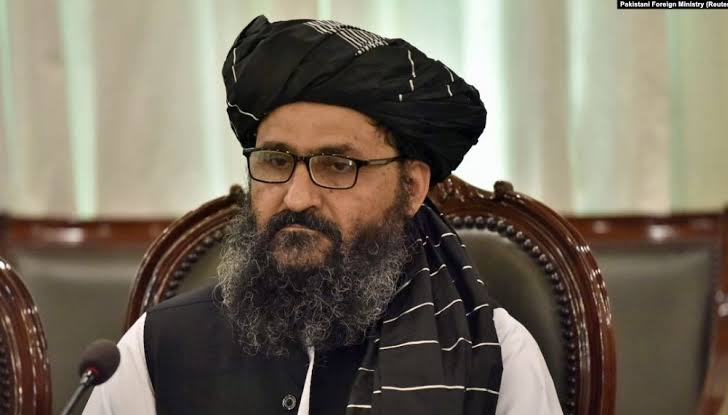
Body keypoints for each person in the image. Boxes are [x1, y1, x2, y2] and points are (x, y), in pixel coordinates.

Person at [83, 16, 561, 415]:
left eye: (337, 165)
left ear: (412, 188)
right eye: (275, 161)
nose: (296, 198)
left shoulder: (492, 357)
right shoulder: (157, 346)